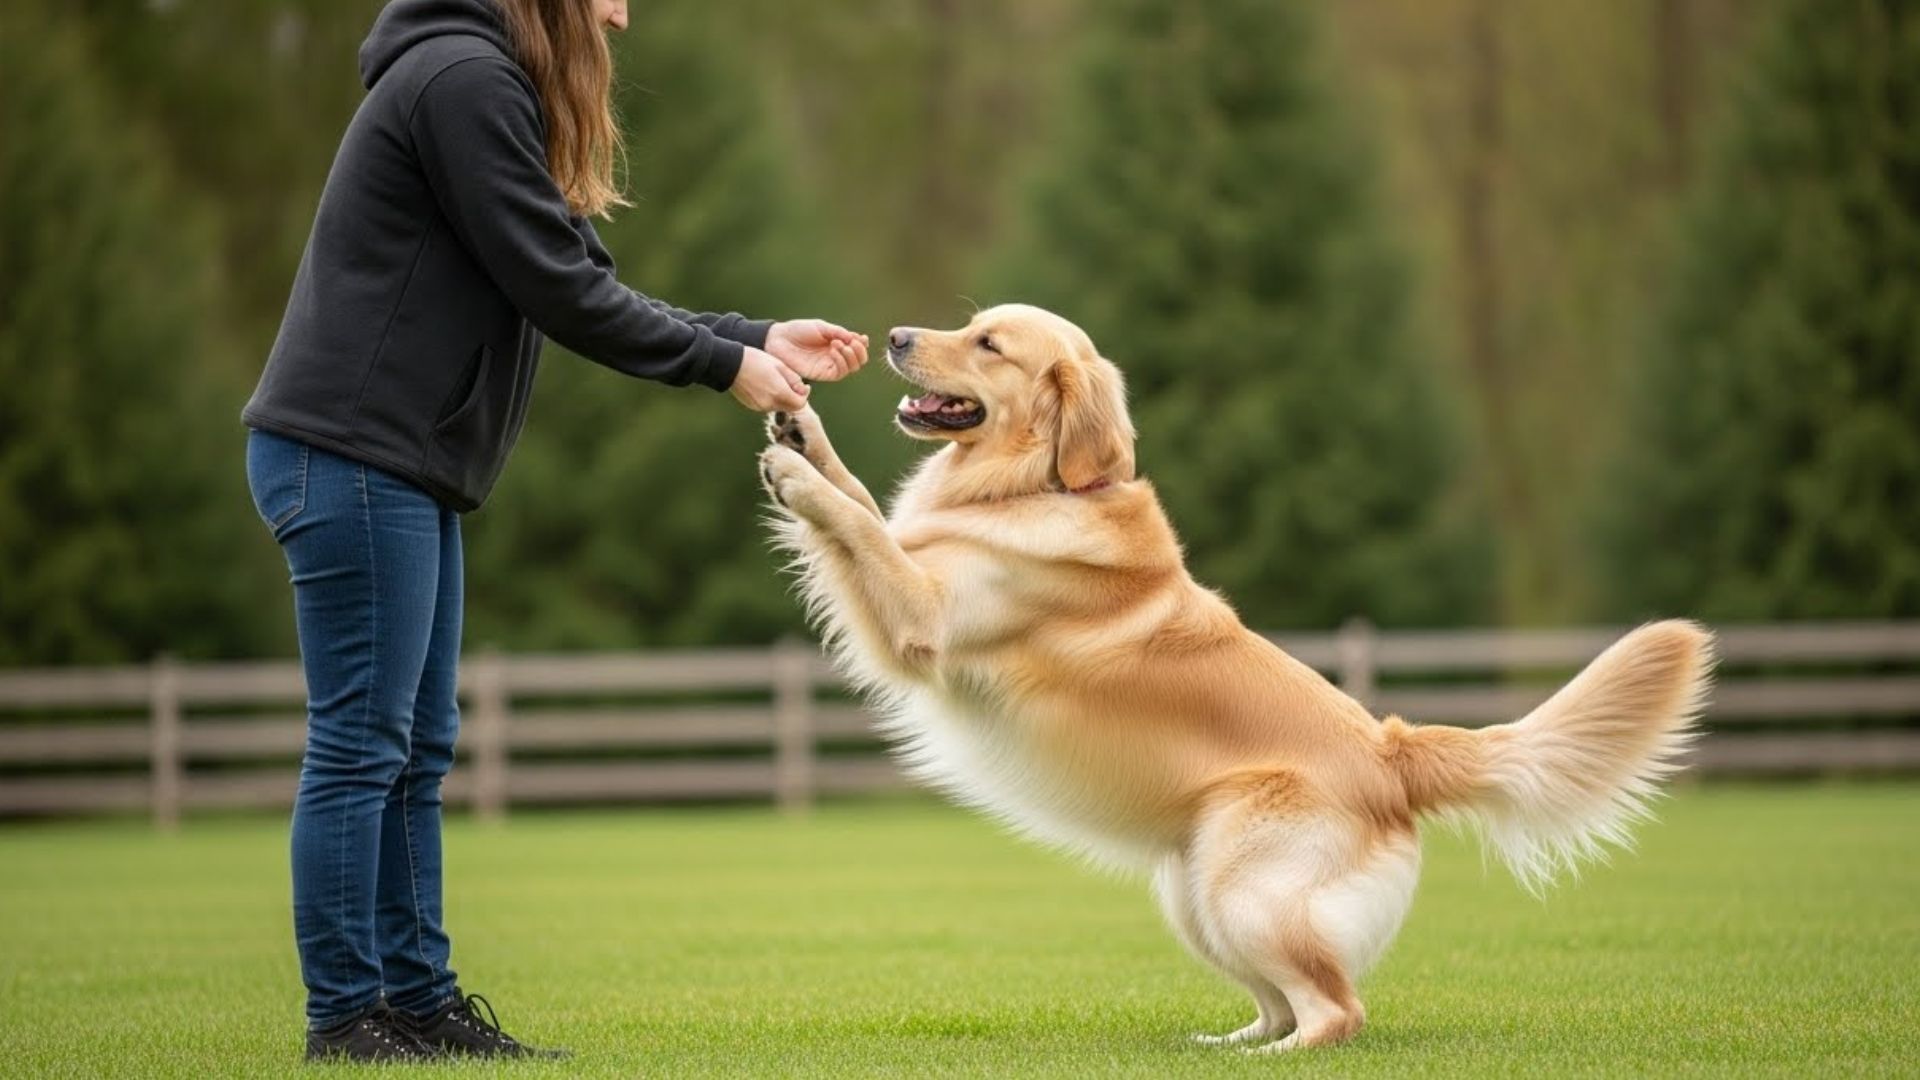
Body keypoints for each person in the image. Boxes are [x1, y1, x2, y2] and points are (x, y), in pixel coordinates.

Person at [241, 0, 867, 1062]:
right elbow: (558, 288)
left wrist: (755, 335)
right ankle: (346, 1019)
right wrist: (725, 365)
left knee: (415, 749)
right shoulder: (461, 80)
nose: (624, 10)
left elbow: (582, 277)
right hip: (350, 455)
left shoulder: (481, 80)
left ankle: (420, 1005)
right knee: (363, 748)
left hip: (396, 463)